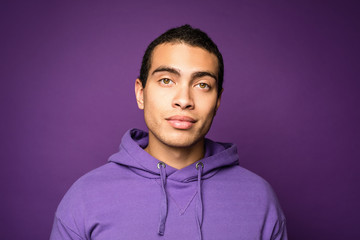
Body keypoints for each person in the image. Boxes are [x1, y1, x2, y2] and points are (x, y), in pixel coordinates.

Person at [50, 24, 287, 240]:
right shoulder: (85, 197)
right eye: (166, 80)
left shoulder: (259, 198)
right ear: (140, 93)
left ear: (218, 101)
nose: (183, 100)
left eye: (202, 84)